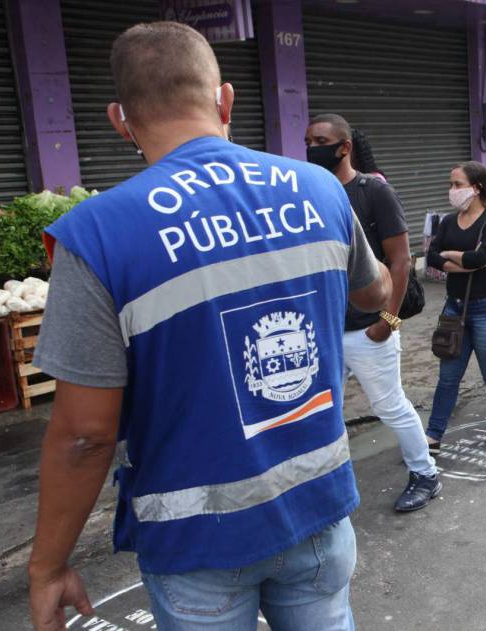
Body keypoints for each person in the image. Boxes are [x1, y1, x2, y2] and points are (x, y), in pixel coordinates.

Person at [27, 22, 391, 631]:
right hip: (318, 510)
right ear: (225, 100)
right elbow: (374, 288)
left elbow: (84, 436)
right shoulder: (319, 188)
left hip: (199, 540)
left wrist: (48, 566)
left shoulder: (96, 234)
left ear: (120, 119)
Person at [305, 113, 440, 513]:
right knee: (321, 410)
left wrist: (389, 321)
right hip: (327, 328)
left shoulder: (373, 192)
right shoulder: (312, 191)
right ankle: (326, 482)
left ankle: (426, 473)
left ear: (344, 147)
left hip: (369, 330)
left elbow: (402, 261)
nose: (312, 147)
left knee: (389, 405)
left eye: (321, 140)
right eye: (308, 139)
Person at [425, 162, 486, 450]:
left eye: (458, 185)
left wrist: (452, 257)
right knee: (448, 376)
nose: (452, 191)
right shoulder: (449, 221)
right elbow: (431, 257)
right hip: (455, 308)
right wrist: (459, 260)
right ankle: (434, 433)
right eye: (451, 185)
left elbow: (481, 258)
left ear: (477, 188)